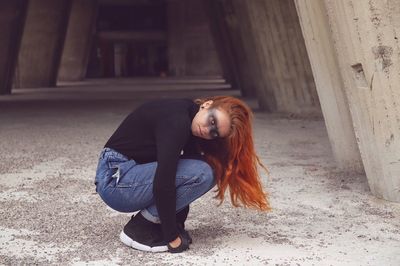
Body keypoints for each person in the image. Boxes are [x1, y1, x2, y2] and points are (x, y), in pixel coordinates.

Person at [94, 96, 270, 253]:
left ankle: (157, 223)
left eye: (214, 133)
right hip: (116, 181)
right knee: (203, 172)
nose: (207, 130)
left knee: (208, 168)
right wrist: (172, 238)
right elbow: (165, 181)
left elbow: (179, 170)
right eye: (212, 121)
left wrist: (177, 224)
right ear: (207, 105)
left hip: (128, 175)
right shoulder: (177, 121)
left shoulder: (189, 115)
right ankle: (139, 229)